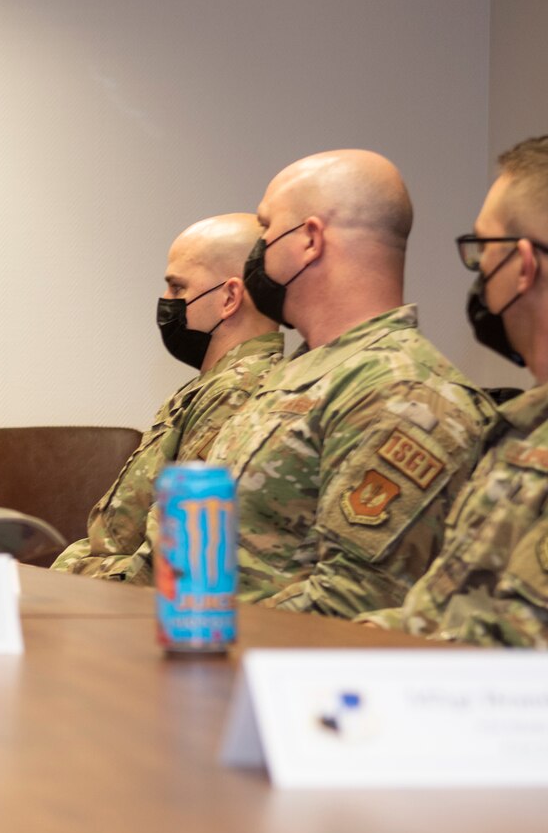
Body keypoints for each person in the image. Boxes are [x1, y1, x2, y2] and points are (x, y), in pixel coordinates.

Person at [191, 149, 493, 616]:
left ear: (310, 240)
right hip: (210, 652)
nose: (258, 249)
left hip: (273, 670)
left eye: (267, 230)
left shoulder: (402, 392)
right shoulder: (303, 370)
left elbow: (352, 600)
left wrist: (201, 631)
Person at [363, 136, 548, 644]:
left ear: (524, 265)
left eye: (484, 249)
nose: (480, 272)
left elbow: (507, 653)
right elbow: (441, 612)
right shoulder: (522, 427)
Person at [53, 214, 283, 583]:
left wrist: (69, 580)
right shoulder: (212, 385)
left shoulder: (237, 393)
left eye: (177, 289)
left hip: (138, 609)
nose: (165, 301)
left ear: (229, 298)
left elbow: (173, 559)